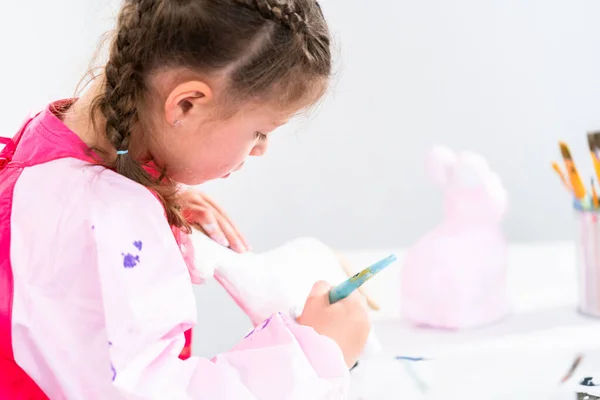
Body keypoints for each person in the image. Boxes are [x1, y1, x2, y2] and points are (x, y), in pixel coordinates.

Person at [0, 0, 371, 398]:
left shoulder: (50, 147)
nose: (261, 149)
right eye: (260, 132)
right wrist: (312, 356)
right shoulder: (105, 219)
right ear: (186, 104)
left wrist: (148, 191)